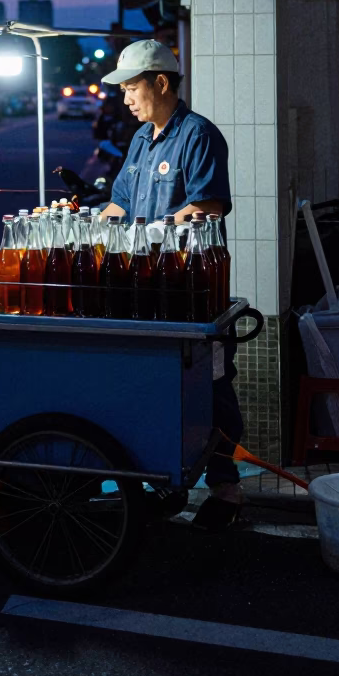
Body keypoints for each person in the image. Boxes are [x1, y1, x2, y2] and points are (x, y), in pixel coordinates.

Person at [99, 38, 245, 531]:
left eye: (132, 87)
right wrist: (89, 229)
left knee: (212, 381)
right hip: (145, 288)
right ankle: (160, 482)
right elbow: (120, 203)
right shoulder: (141, 140)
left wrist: (160, 226)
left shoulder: (198, 135)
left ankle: (226, 488)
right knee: (149, 383)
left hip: (193, 288)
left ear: (161, 83)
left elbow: (209, 206)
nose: (126, 98)